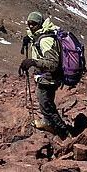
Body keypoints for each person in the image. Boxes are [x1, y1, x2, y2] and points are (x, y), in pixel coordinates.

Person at [19, 11, 71, 139]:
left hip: (49, 78)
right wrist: (29, 39)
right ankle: (49, 124)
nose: (31, 26)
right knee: (46, 104)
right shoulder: (40, 36)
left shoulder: (45, 40)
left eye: (34, 24)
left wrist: (33, 62)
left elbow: (53, 63)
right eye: (29, 23)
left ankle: (64, 134)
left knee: (46, 107)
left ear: (40, 24)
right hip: (45, 77)